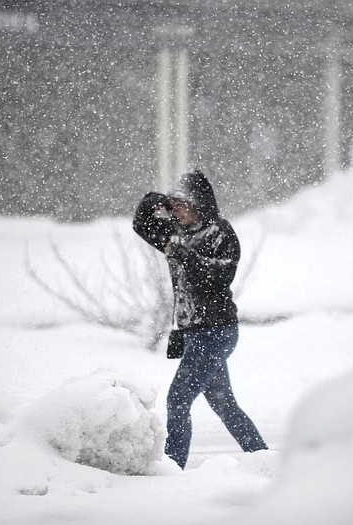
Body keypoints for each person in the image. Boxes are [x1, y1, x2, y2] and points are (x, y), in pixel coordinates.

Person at [132, 169, 268, 469]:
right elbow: (141, 224)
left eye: (181, 204)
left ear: (198, 204)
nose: (175, 211)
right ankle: (264, 459)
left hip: (216, 333)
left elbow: (216, 279)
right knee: (225, 406)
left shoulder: (221, 234)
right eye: (173, 205)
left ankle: (172, 468)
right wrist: (154, 200)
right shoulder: (179, 234)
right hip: (195, 333)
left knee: (177, 403)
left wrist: (182, 254)